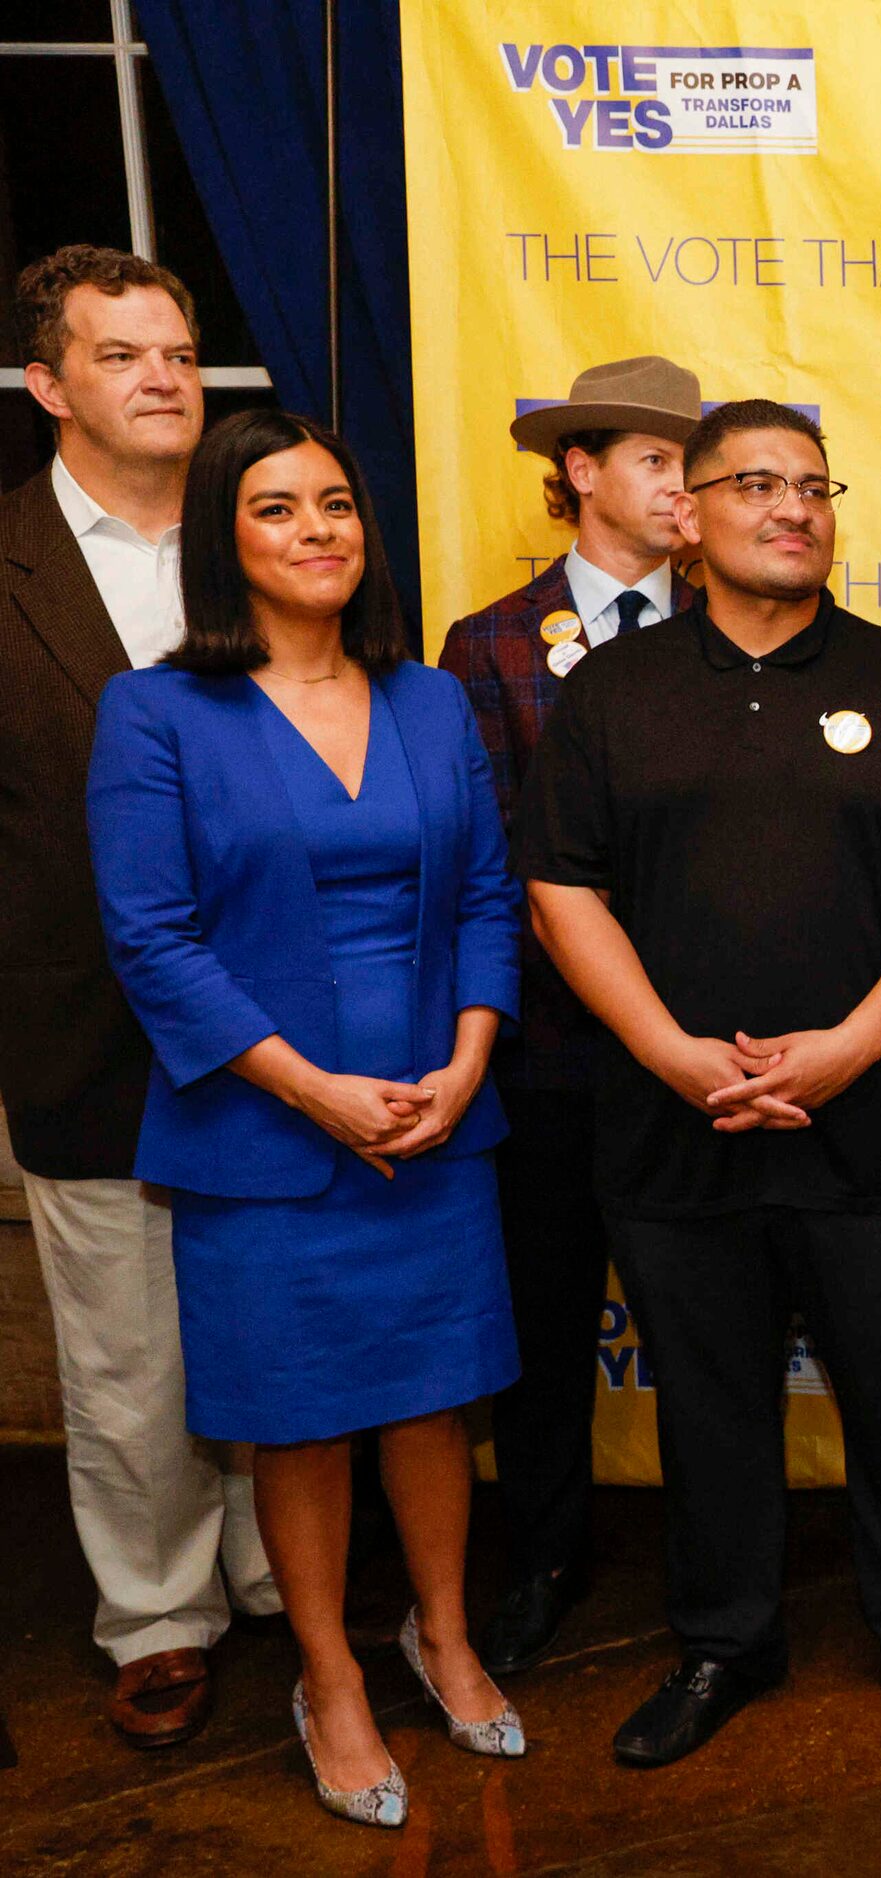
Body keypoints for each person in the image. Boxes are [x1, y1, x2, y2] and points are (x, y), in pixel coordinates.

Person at [520, 399, 881, 1765]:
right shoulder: (609, 694)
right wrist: (668, 1051)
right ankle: (721, 1643)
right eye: (756, 482)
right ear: (688, 512)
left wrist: (855, 1044)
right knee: (706, 1400)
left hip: (874, 1123)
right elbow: (562, 890)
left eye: (815, 485)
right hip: (672, 1120)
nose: (792, 507)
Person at [89, 410, 528, 1827]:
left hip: (430, 1115)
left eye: (335, 503)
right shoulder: (154, 713)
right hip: (267, 1132)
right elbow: (153, 938)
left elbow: (480, 901)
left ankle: (443, 1633)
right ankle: (330, 1672)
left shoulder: (429, 701)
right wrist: (313, 1089)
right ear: (226, 541)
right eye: (277, 509)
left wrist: (463, 1068)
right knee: (304, 1417)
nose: (319, 530)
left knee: (430, 1398)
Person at [2, 244, 280, 1752]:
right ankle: (159, 1617)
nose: (165, 376)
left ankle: (270, 1567)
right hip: (88, 1034)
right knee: (124, 1349)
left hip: (293, 1024)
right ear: (50, 385)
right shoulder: (5, 564)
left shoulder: (269, 538)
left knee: (264, 1315)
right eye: (122, 354)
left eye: (177, 350)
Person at [439, 355, 699, 1677]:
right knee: (544, 1329)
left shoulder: (741, 626)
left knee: (711, 1324)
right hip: (550, 1061)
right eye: (657, 457)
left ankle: (719, 1570)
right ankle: (541, 1554)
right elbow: (494, 864)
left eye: (691, 462)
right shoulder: (488, 646)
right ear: (583, 470)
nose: (682, 485)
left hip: (714, 1063)